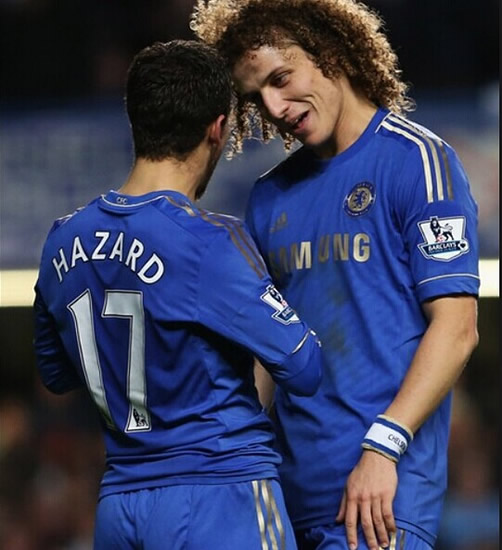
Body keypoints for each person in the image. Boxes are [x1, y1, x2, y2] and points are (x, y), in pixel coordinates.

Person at [191, 2, 480, 549]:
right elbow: (265, 358)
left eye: (281, 78)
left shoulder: (419, 161)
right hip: (281, 499)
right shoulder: (269, 197)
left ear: (330, 50)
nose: (274, 107)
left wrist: (383, 447)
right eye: (256, 97)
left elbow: (457, 328)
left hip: (379, 500)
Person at [33, 39, 324, 550]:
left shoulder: (63, 238)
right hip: (220, 494)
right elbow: (304, 368)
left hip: (121, 507)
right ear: (217, 129)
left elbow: (56, 374)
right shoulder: (208, 241)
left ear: (137, 123)